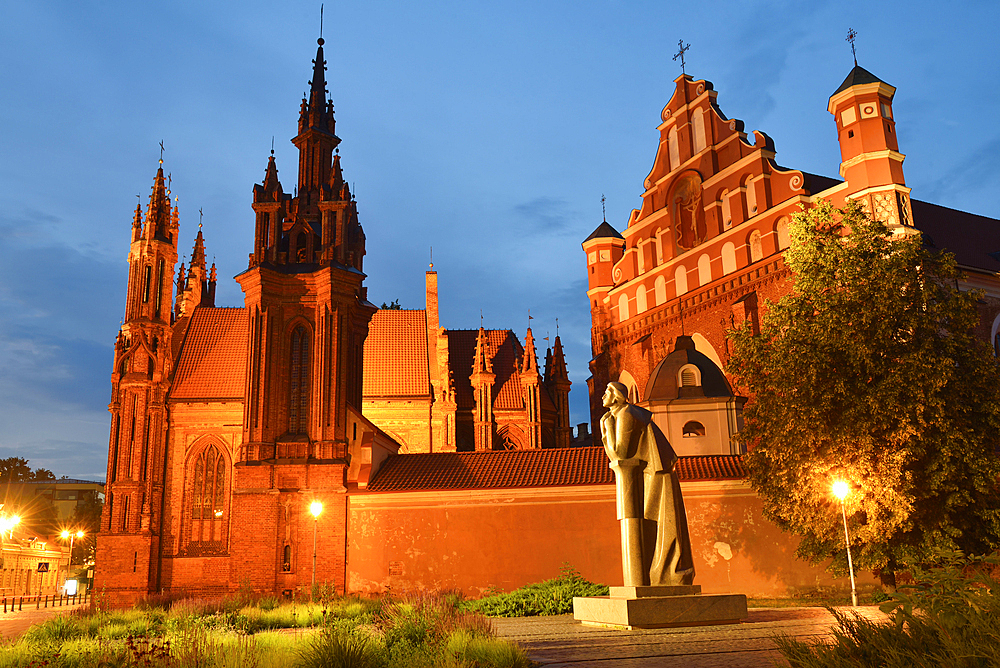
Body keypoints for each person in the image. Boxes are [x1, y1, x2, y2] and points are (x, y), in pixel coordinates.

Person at [601, 381, 695, 586]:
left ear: (617, 396)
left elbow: (620, 453)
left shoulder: (625, 414)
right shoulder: (618, 414)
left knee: (661, 523)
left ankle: (665, 575)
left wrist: (606, 427)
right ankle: (653, 577)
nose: (602, 396)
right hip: (646, 474)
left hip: (655, 474)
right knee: (653, 525)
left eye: (607, 392)